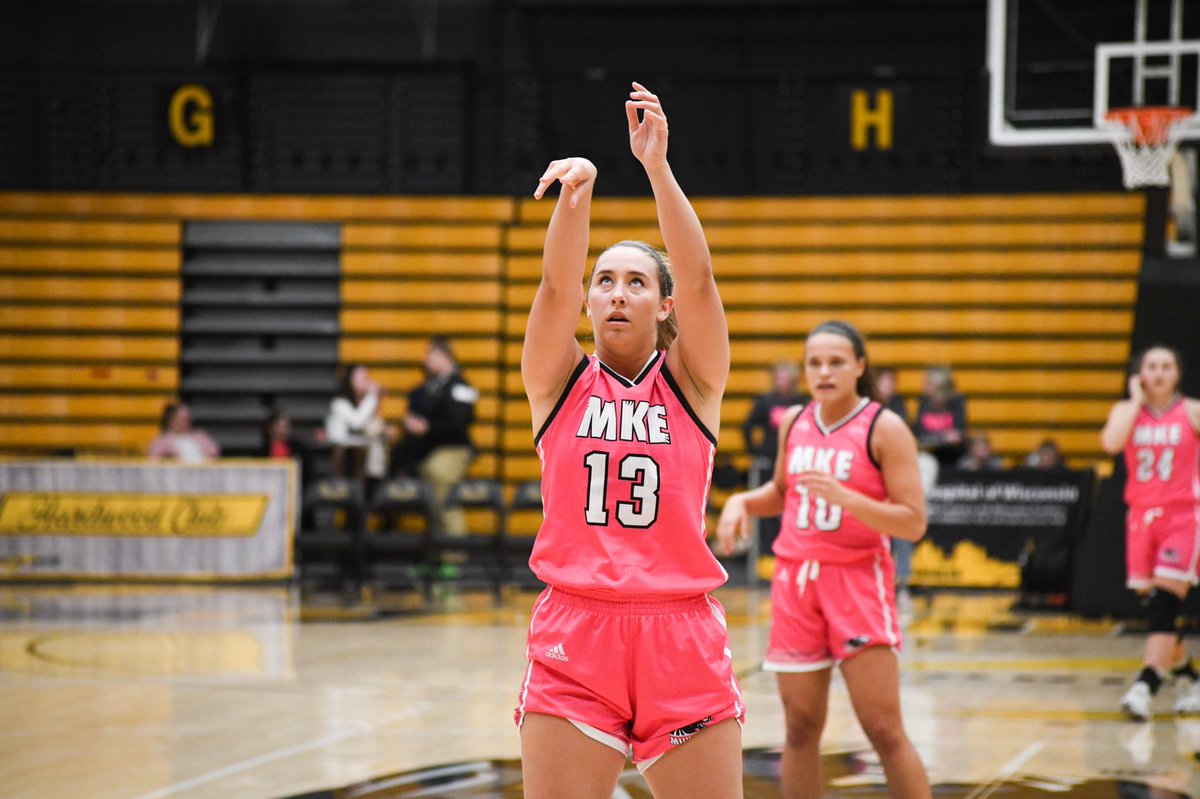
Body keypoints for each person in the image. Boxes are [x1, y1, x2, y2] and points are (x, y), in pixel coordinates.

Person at [516, 82, 744, 798]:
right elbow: (554, 288)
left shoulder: (694, 383)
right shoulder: (557, 382)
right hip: (575, 629)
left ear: (663, 303)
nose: (617, 291)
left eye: (636, 281)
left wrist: (656, 166)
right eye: (605, 280)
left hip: (680, 630)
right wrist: (575, 198)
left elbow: (703, 279)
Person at [717, 320, 931, 799]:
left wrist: (849, 499)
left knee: (883, 729)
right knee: (798, 729)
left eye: (836, 362)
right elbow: (780, 492)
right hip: (795, 583)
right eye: (814, 362)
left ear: (859, 366)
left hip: (857, 581)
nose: (824, 371)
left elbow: (913, 522)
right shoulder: (794, 421)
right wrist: (742, 503)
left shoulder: (884, 426)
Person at [1100, 345, 1200, 721]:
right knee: (1154, 608)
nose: (1158, 373)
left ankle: (1146, 685)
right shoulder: (1126, 413)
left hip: (1182, 518)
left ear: (1177, 373)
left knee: (1164, 605)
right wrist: (1135, 400)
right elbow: (1111, 443)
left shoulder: (1192, 411)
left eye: (1166, 366)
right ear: (1140, 372)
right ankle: (1190, 677)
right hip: (1141, 519)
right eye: (1151, 366)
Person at [390, 337, 478, 536]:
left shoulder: (461, 386)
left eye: (430, 356)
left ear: (443, 356)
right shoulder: (429, 386)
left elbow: (460, 422)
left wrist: (427, 428)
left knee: (439, 480)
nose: (426, 361)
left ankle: (453, 555)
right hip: (429, 450)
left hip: (454, 449)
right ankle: (435, 554)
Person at [741, 360, 803, 552]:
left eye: (785, 377)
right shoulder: (765, 401)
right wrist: (755, 452)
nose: (781, 381)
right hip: (768, 463)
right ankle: (766, 548)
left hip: (793, 463)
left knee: (792, 505)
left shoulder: (800, 402)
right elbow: (747, 427)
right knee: (767, 506)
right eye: (778, 377)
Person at [324, 363, 391, 484]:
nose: (366, 383)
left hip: (361, 454)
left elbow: (374, 426)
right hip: (342, 454)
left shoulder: (365, 403)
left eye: (367, 379)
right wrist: (372, 397)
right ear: (350, 381)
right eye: (362, 379)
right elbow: (357, 422)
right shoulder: (339, 403)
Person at [912, 365, 967, 467]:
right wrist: (943, 437)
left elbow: (959, 434)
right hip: (928, 455)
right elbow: (919, 433)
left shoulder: (956, 401)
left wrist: (935, 437)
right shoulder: (923, 401)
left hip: (953, 457)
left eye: (928, 384)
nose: (924, 387)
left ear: (939, 385)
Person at [147, 402, 220, 463]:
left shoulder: (200, 436)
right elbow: (154, 460)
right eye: (183, 419)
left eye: (188, 419)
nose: (188, 422)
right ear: (172, 420)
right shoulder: (161, 442)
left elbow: (214, 452)